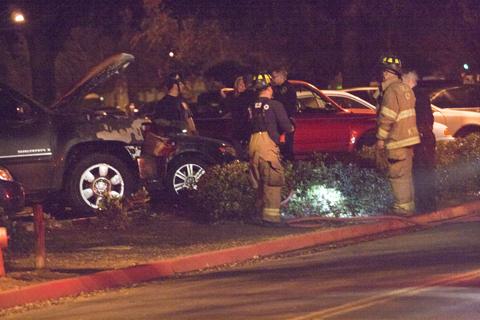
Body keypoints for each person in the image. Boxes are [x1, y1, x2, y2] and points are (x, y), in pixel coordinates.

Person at [375, 55, 420, 215]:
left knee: (397, 176)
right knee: (406, 175)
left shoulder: (391, 91)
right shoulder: (405, 88)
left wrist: (380, 139)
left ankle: (402, 209)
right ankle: (408, 206)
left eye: (382, 72)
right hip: (409, 140)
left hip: (396, 140)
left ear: (387, 73)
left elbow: (387, 117)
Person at [247, 72, 295, 226]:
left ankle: (259, 213)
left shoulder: (252, 106)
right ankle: (271, 218)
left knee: (260, 180)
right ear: (268, 88)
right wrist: (291, 127)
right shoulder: (275, 105)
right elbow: (287, 127)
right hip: (266, 145)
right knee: (273, 180)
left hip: (253, 143)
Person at [402, 71, 437, 213]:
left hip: (420, 140)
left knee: (420, 172)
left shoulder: (413, 95)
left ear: (409, 79)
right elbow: (429, 118)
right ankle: (430, 204)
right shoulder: (422, 94)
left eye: (403, 79)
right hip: (427, 138)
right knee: (428, 171)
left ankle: (424, 206)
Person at [220, 75, 254, 159]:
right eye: (240, 85)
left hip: (244, 124)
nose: (242, 87)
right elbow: (227, 103)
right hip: (235, 124)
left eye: (244, 85)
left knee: (245, 147)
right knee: (236, 145)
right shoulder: (233, 96)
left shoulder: (247, 96)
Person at [272, 67, 297, 161]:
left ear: (281, 76)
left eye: (274, 77)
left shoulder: (286, 88)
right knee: (283, 145)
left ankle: (289, 163)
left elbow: (280, 103)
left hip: (285, 120)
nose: (272, 79)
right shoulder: (279, 88)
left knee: (286, 145)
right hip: (282, 120)